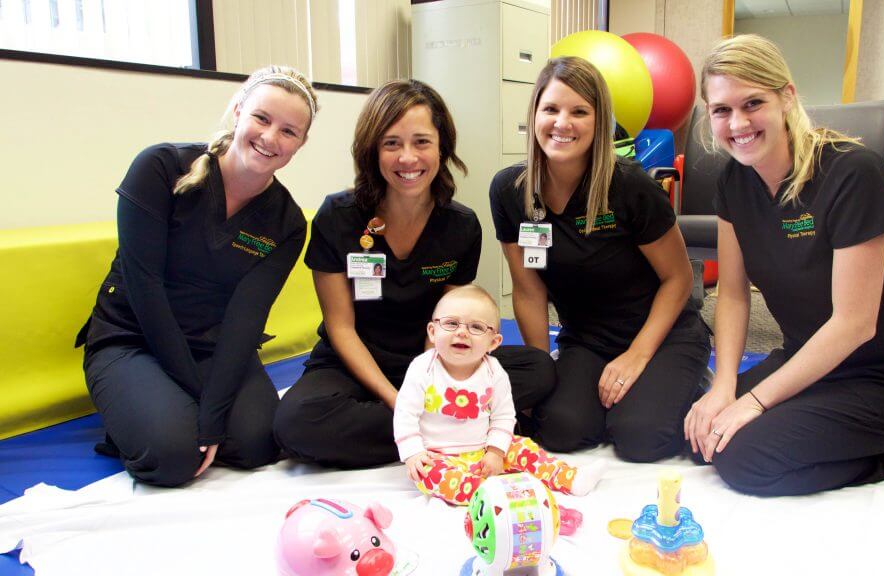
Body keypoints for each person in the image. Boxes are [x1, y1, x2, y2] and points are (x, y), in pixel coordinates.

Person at [683, 35, 884, 496]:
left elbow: (853, 324)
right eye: (722, 110)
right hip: (813, 359)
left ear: (786, 96)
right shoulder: (733, 181)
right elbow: (730, 293)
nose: (739, 123)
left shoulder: (853, 173)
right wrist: (724, 386)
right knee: (699, 430)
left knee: (744, 460)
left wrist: (754, 402)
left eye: (753, 103)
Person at [274, 80, 555, 468]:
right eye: (391, 143)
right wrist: (402, 402)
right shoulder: (337, 217)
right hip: (354, 361)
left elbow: (453, 320)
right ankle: (456, 431)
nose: (408, 158)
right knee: (297, 423)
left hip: (437, 359)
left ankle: (425, 430)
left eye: (421, 142)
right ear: (372, 149)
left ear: (443, 146)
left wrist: (430, 384)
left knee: (539, 369)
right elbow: (341, 328)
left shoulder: (460, 226)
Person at [76, 65, 319, 487]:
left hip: (212, 345)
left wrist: (212, 410)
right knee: (174, 456)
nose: (270, 138)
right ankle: (132, 425)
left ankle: (174, 414)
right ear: (239, 111)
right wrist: (201, 401)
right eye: (261, 118)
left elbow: (246, 320)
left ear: (300, 143)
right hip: (132, 339)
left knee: (260, 442)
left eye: (288, 131)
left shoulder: (287, 223)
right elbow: (144, 287)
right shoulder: (160, 167)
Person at [490, 57, 711, 463]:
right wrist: (542, 372)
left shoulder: (630, 186)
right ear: (535, 113)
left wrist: (637, 356)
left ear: (600, 121)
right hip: (587, 340)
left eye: (579, 112)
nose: (562, 123)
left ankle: (687, 383)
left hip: (663, 335)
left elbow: (679, 279)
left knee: (639, 436)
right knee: (558, 429)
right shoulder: (510, 191)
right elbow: (528, 287)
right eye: (551, 109)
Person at [394, 286, 604, 505]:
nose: (461, 332)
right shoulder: (422, 369)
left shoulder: (494, 371)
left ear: (493, 343)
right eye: (451, 323)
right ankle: (491, 494)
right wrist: (413, 454)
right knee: (430, 475)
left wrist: (495, 451)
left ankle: (569, 478)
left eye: (476, 327)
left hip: (484, 449)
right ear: (432, 331)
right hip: (438, 456)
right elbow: (404, 415)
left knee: (524, 448)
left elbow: (503, 416)